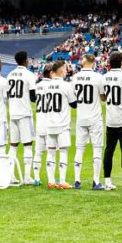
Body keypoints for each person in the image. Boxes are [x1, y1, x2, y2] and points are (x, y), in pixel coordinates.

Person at [72, 54, 106, 190]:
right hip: (94, 117)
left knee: (80, 148)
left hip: (81, 117)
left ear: (84, 61)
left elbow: (73, 96)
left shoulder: (75, 77)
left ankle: (77, 180)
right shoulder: (98, 77)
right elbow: (103, 98)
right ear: (94, 63)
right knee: (97, 149)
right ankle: (96, 181)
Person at [45, 60, 77, 189]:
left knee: (51, 151)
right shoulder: (66, 86)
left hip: (49, 122)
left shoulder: (46, 85)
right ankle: (62, 181)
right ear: (62, 71)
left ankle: (51, 181)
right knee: (63, 151)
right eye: (65, 68)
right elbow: (74, 104)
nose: (66, 70)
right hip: (62, 123)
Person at [7, 51, 37, 183]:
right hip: (24, 113)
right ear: (25, 60)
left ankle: (11, 176)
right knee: (27, 145)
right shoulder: (29, 75)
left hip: (13, 113)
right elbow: (33, 97)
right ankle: (26, 177)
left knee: (13, 146)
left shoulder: (9, 75)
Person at [103, 52, 122, 191]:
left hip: (110, 119)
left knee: (109, 150)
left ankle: (107, 181)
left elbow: (103, 97)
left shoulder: (104, 78)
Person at [32, 63, 52, 186]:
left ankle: (36, 179)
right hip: (50, 122)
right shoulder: (53, 85)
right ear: (50, 73)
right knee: (51, 152)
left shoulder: (37, 86)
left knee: (38, 152)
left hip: (39, 121)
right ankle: (50, 179)